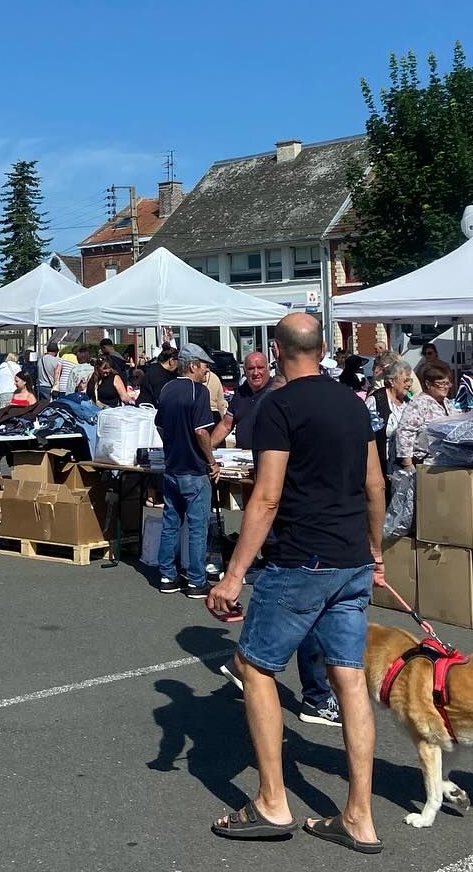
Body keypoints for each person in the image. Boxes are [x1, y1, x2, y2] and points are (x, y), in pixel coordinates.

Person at [206, 312, 384, 852]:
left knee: (254, 666)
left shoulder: (277, 407)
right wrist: (375, 551)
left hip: (302, 558)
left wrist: (233, 576)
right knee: (348, 678)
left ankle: (272, 801)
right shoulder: (354, 405)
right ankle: (359, 816)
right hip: (351, 557)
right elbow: (375, 484)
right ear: (323, 347)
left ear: (277, 350)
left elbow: (266, 496)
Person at [154, 344, 221, 598]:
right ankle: (196, 580)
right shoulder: (198, 391)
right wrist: (211, 461)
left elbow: (159, 425)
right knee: (196, 527)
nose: (206, 371)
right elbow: (201, 431)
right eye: (204, 366)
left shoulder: (167, 389)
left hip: (172, 467)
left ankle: (167, 575)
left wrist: (172, 445)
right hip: (194, 469)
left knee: (171, 524)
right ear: (193, 365)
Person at [395, 359, 459, 469]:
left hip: (446, 461)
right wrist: (407, 464)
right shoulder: (419, 403)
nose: (446, 387)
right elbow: (405, 432)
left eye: (447, 383)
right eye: (441, 384)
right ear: (428, 384)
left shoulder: (447, 403)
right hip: (425, 463)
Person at [212, 352, 276, 449]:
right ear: (245, 372)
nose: (255, 373)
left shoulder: (276, 392)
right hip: (242, 454)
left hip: (268, 454)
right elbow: (226, 425)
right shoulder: (240, 392)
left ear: (268, 369)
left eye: (260, 368)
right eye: (251, 368)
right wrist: (207, 450)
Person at [368, 359, 412, 476]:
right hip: (380, 465)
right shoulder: (376, 400)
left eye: (410, 381)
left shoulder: (408, 402)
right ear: (392, 381)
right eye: (405, 380)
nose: (409, 384)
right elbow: (366, 434)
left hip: (404, 467)